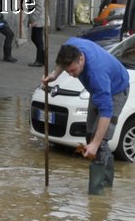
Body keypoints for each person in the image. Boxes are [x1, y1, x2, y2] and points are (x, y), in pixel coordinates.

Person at [45, 38, 130, 171]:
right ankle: (106, 175)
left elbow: (106, 112)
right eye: (68, 72)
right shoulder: (69, 46)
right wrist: (55, 75)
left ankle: (99, 190)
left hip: (116, 91)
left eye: (73, 70)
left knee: (99, 144)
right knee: (89, 135)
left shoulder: (97, 74)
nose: (72, 75)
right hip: (96, 90)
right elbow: (62, 62)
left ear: (81, 59)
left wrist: (95, 144)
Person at [26, 0, 47, 68]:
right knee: (35, 38)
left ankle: (40, 60)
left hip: (38, 19)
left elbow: (39, 6)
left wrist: (33, 19)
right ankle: (42, 59)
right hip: (37, 18)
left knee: (37, 39)